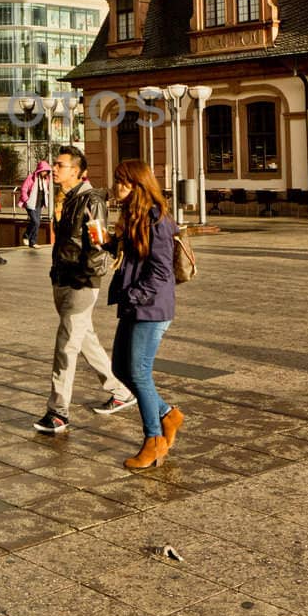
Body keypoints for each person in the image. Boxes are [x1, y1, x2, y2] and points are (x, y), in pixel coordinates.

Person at [35, 145, 135, 435]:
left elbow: (99, 242)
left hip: (80, 282)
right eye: (55, 164)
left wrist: (85, 276)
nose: (55, 169)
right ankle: (120, 391)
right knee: (85, 338)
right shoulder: (68, 199)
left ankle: (58, 413)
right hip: (64, 278)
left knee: (66, 346)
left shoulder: (90, 201)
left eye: (61, 165)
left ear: (78, 172)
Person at [105, 159, 183, 470]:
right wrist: (110, 244)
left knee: (137, 372)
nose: (117, 187)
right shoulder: (133, 215)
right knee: (120, 368)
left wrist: (133, 296)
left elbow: (161, 272)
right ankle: (167, 413)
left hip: (151, 307)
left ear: (139, 185)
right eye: (116, 181)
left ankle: (154, 440)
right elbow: (134, 260)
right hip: (134, 303)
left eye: (124, 182)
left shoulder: (157, 220)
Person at [19, 159, 54, 248]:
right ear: (40, 170)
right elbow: (23, 189)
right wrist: (26, 200)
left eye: (46, 171)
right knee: (36, 222)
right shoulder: (31, 178)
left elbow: (45, 191)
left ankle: (33, 242)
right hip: (30, 203)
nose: (45, 172)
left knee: (35, 222)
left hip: (39, 204)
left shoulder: (46, 179)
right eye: (44, 171)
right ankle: (26, 235)